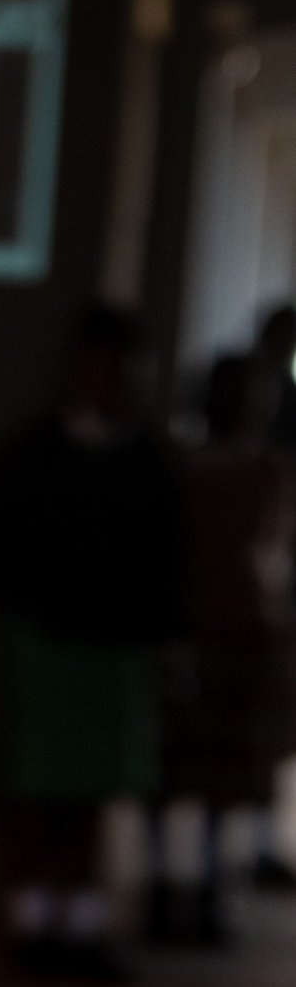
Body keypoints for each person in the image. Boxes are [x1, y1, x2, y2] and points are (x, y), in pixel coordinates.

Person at [0, 300, 183, 981]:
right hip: (47, 638)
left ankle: (80, 926)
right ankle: (29, 923)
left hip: (115, 645)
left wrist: (166, 637)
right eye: (102, 368)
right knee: (36, 788)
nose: (113, 383)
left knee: (92, 792)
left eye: (127, 371)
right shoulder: (30, 457)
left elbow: (171, 561)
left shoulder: (149, 463)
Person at [151, 343, 296, 942]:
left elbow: (273, 556)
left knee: (227, 778)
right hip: (190, 630)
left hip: (246, 634)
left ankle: (209, 884)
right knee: (170, 770)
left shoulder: (268, 470)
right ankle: (165, 882)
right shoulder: (184, 466)